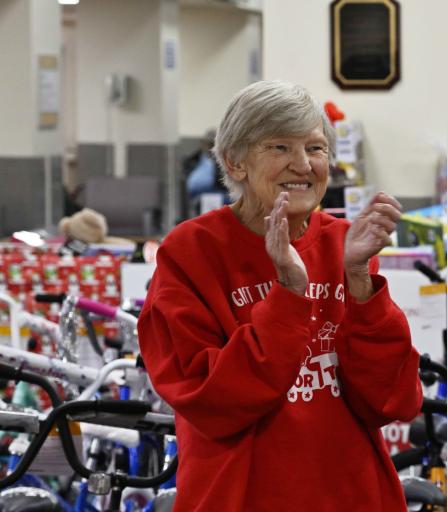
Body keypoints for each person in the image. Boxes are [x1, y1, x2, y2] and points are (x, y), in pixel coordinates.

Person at [138, 80, 422, 511]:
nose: (303, 164)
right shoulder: (190, 253)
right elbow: (210, 400)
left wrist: (361, 282)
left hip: (352, 496)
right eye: (279, 147)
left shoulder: (345, 245)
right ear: (235, 162)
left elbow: (392, 399)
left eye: (315, 148)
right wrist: (289, 295)